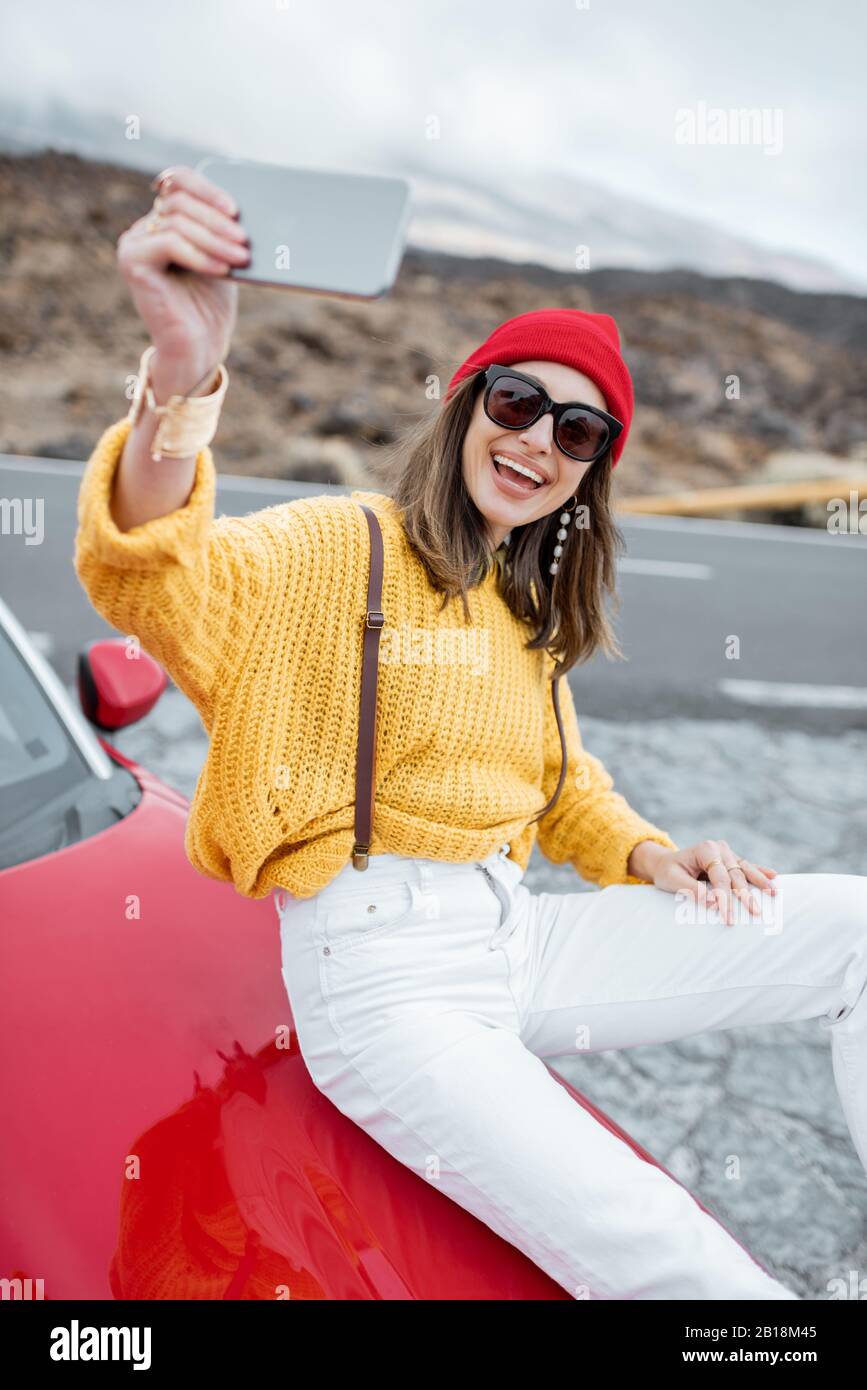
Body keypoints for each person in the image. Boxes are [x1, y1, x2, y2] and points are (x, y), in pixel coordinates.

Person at [74, 164, 867, 1301]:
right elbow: (157, 574)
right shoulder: (339, 548)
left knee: (855, 930)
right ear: (464, 402)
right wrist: (183, 375)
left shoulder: (521, 606)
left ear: (590, 471)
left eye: (578, 429)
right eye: (515, 402)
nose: (539, 438)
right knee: (668, 1247)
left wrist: (649, 853)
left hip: (519, 936)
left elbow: (561, 784)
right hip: (386, 977)